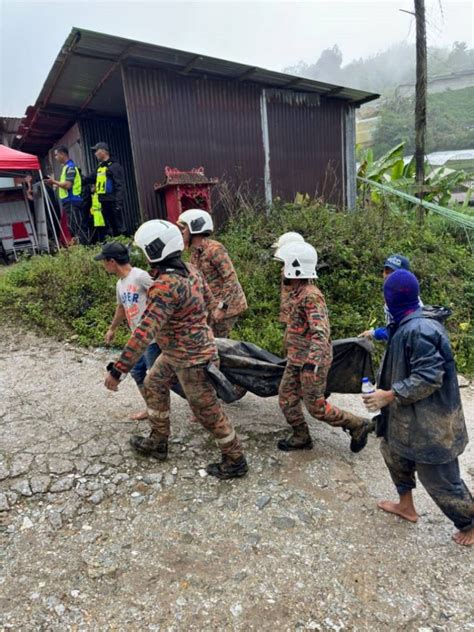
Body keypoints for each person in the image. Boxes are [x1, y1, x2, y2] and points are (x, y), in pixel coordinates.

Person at [104, 220, 248, 480]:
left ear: (154, 250)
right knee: (154, 384)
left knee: (208, 412)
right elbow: (209, 303)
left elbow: (144, 331)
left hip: (192, 358)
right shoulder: (190, 270)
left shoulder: (166, 285)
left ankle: (235, 459)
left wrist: (118, 370)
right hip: (176, 352)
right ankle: (158, 441)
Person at [363, 269, 473, 547]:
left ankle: (470, 523)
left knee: (440, 479)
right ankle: (406, 506)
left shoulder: (420, 329)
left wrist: (389, 394)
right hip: (407, 418)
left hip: (432, 423)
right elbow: (392, 335)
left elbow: (428, 377)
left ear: (392, 300)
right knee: (392, 452)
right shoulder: (406, 321)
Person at [274, 241, 371, 453]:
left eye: (284, 265)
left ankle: (357, 424)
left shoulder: (311, 296)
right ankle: (301, 437)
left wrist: (312, 362)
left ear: (295, 267)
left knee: (316, 407)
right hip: (297, 359)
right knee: (286, 398)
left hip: (311, 362)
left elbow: (321, 332)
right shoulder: (295, 292)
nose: (281, 270)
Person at [95, 242, 160, 421]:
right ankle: (151, 409)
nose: (103, 265)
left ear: (112, 262)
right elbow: (121, 308)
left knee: (161, 378)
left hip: (153, 339)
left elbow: (162, 296)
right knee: (137, 372)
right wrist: (112, 329)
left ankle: (199, 405)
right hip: (137, 340)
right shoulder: (120, 284)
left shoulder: (140, 276)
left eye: (104, 261)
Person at [177, 209, 247, 337]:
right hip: (212, 307)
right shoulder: (195, 254)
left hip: (227, 308)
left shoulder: (214, 249)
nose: (182, 231)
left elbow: (231, 279)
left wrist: (222, 308)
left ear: (194, 228)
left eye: (184, 227)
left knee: (219, 345)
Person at [359, 254, 422, 342]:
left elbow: (403, 333)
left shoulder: (410, 303)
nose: (388, 276)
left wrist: (375, 333)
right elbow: (394, 330)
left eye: (393, 273)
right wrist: (373, 333)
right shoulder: (391, 297)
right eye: (386, 272)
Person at [44, 145, 86, 244]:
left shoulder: (70, 167)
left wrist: (54, 182)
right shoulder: (66, 167)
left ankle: (85, 248)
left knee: (76, 227)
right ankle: (81, 248)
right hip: (69, 202)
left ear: (62, 154)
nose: (56, 157)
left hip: (72, 201)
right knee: (73, 227)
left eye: (56, 155)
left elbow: (67, 185)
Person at [83, 142, 125, 236]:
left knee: (118, 227)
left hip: (113, 202)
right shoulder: (100, 167)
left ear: (103, 151)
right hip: (103, 202)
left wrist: (119, 203)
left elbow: (120, 185)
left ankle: (122, 245)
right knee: (108, 228)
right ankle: (113, 246)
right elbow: (89, 178)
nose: (95, 154)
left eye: (96, 151)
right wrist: (76, 178)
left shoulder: (114, 166)